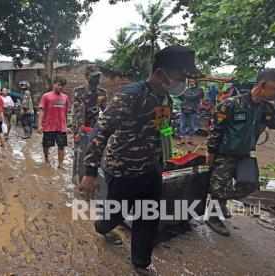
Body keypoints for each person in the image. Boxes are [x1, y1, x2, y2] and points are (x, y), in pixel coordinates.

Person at [81, 45, 204, 272]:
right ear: (160, 74)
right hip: (123, 170)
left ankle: (141, 263)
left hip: (151, 168)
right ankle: (102, 226)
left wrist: (166, 156)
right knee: (113, 217)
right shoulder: (131, 95)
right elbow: (101, 131)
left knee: (148, 217)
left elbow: (164, 127)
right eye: (181, 76)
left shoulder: (165, 97)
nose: (184, 81)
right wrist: (90, 172)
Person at [206, 68, 275, 236]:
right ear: (263, 84)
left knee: (250, 185)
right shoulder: (231, 104)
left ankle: (221, 202)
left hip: (244, 155)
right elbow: (215, 130)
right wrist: (211, 154)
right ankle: (213, 216)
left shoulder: (266, 109)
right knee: (218, 187)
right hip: (224, 154)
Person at [72, 64, 107, 185]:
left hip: (96, 131)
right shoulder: (79, 92)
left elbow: (106, 112)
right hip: (82, 130)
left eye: (98, 76)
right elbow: (76, 114)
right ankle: (77, 182)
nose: (97, 79)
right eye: (94, 76)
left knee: (95, 155)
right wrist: (76, 133)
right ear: (86, 76)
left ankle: (91, 182)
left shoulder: (102, 93)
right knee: (79, 157)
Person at [37, 76, 71, 169]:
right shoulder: (46, 96)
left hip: (61, 127)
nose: (60, 87)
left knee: (61, 146)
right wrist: (40, 125)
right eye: (59, 85)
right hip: (48, 126)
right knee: (46, 145)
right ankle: (46, 158)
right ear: (54, 84)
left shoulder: (65, 97)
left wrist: (67, 126)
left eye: (62, 86)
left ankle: (60, 164)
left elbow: (66, 112)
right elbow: (42, 110)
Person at [178, 79, 204, 145]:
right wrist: (182, 94)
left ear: (195, 82)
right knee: (182, 125)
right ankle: (182, 139)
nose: (190, 83)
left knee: (192, 126)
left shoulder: (199, 90)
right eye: (190, 81)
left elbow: (192, 97)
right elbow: (180, 97)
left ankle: (190, 139)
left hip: (193, 110)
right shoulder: (186, 89)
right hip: (184, 109)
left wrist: (183, 93)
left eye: (192, 81)